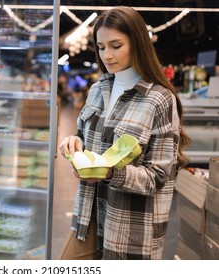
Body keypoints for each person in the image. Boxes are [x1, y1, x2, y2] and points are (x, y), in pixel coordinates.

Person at [58, 6, 191, 260]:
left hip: (130, 230)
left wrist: (109, 173)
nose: (107, 55)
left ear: (137, 43)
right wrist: (74, 143)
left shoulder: (159, 100)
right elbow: (84, 140)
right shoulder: (98, 90)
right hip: (89, 219)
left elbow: (157, 177)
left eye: (116, 46)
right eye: (101, 46)